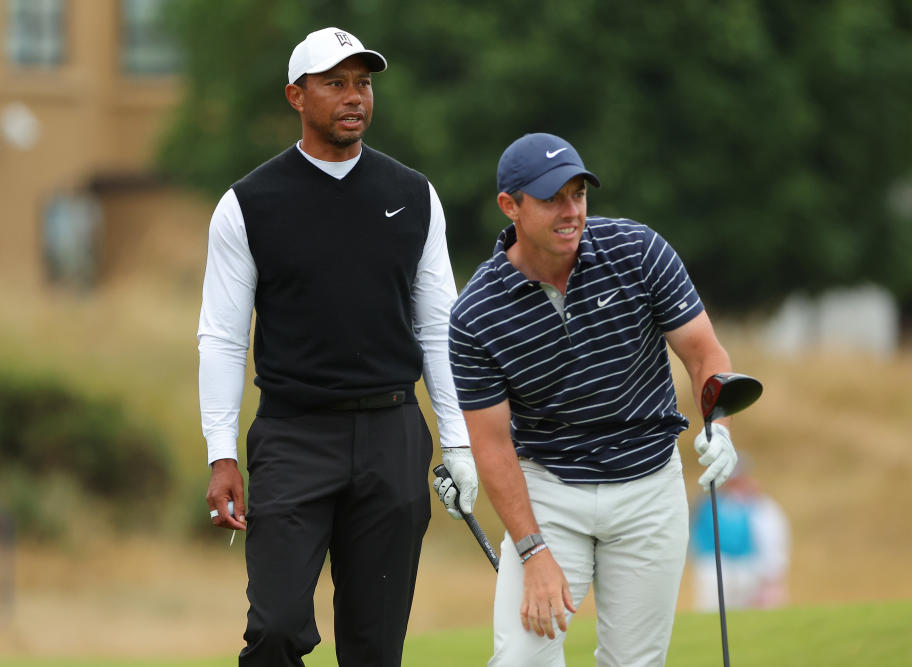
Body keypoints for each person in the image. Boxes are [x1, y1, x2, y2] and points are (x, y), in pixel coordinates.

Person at [197, 27, 478, 667]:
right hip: (293, 438)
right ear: (297, 96)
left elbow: (440, 329)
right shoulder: (247, 205)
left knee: (375, 648)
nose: (354, 97)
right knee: (273, 631)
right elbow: (221, 335)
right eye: (335, 83)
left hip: (392, 433)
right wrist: (221, 454)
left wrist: (457, 442)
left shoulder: (414, 196)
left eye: (363, 83)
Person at [447, 132, 741, 666]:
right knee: (522, 660)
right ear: (509, 206)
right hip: (550, 492)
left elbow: (704, 354)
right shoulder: (476, 313)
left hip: (649, 485)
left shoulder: (637, 251)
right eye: (553, 198)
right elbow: (491, 447)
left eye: (579, 194)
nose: (571, 211)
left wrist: (716, 421)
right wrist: (533, 553)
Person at [689, 453, 790, 611]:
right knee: (711, 609)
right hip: (712, 565)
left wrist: (772, 571)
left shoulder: (758, 503)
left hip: (745, 566)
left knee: (743, 611)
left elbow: (771, 538)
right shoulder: (706, 501)